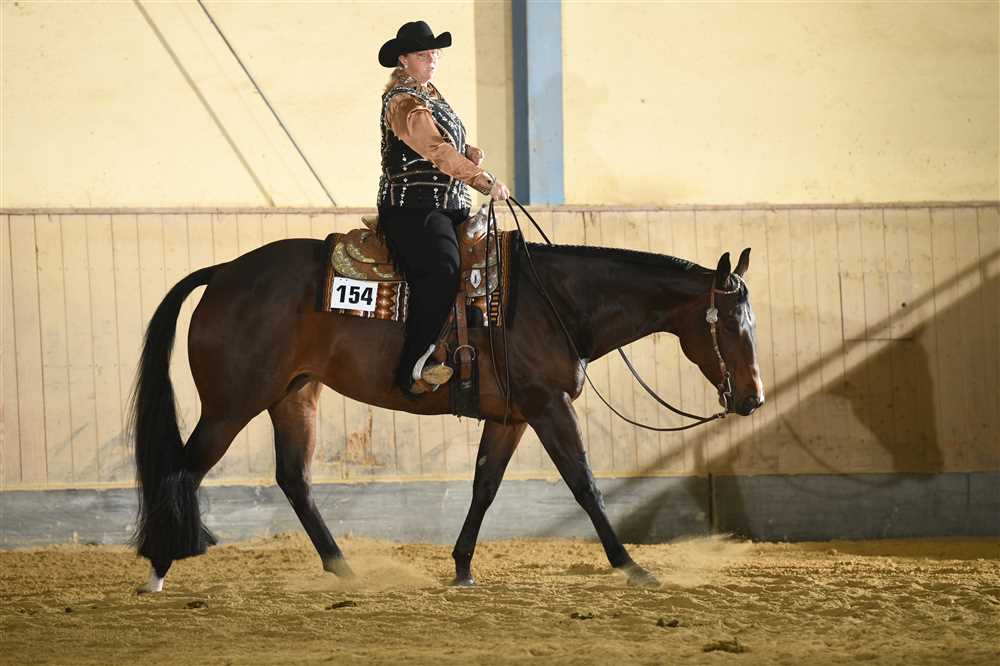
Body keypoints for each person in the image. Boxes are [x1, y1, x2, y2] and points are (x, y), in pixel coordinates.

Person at [376, 20, 510, 396]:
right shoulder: (403, 101)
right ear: (403, 60)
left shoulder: (430, 95)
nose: (432, 59)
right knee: (443, 269)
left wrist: (469, 152)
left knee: (483, 267)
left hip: (448, 208)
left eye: (434, 53)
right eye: (423, 54)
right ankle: (412, 367)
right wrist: (481, 179)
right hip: (414, 209)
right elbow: (435, 150)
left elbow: (444, 145)